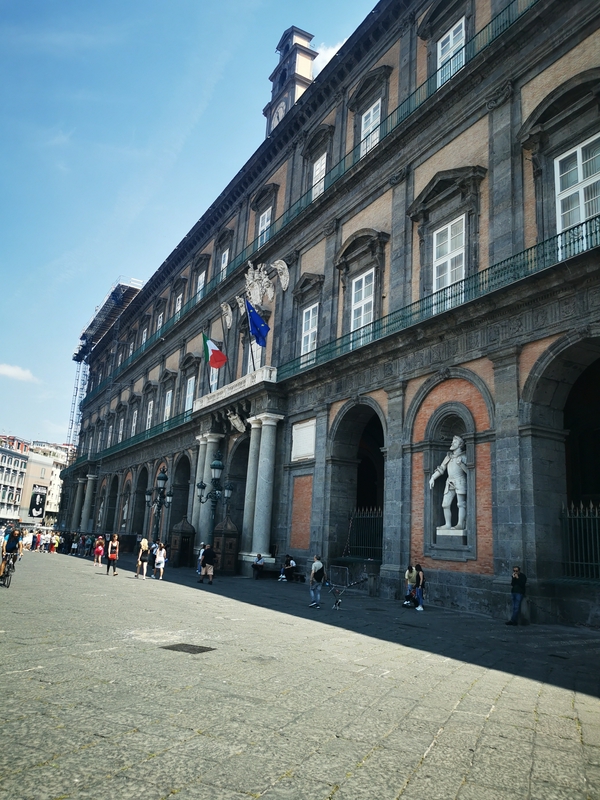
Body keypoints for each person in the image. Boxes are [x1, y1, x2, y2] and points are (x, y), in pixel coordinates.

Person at [429, 435, 468, 530]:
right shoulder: (448, 457)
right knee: (445, 504)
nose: (452, 443)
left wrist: (461, 464)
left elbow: (469, 472)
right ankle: (448, 524)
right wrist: (433, 478)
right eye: (452, 441)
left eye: (454, 442)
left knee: (461, 504)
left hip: (460, 481)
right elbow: (441, 469)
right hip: (449, 482)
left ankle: (460, 524)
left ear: (460, 445)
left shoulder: (464, 456)